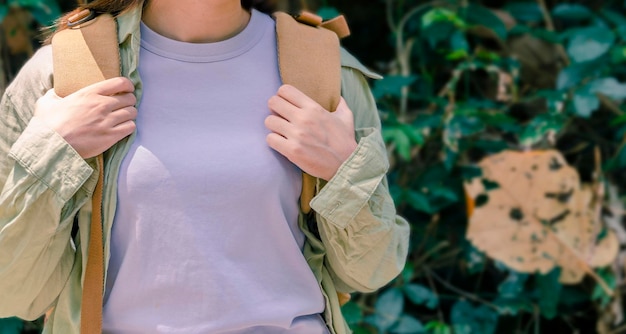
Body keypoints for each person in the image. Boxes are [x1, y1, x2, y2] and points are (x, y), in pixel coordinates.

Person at [0, 0, 410, 333]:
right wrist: (54, 152)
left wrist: (344, 171)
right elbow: (12, 293)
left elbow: (371, 270)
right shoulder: (62, 75)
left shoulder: (324, 70)